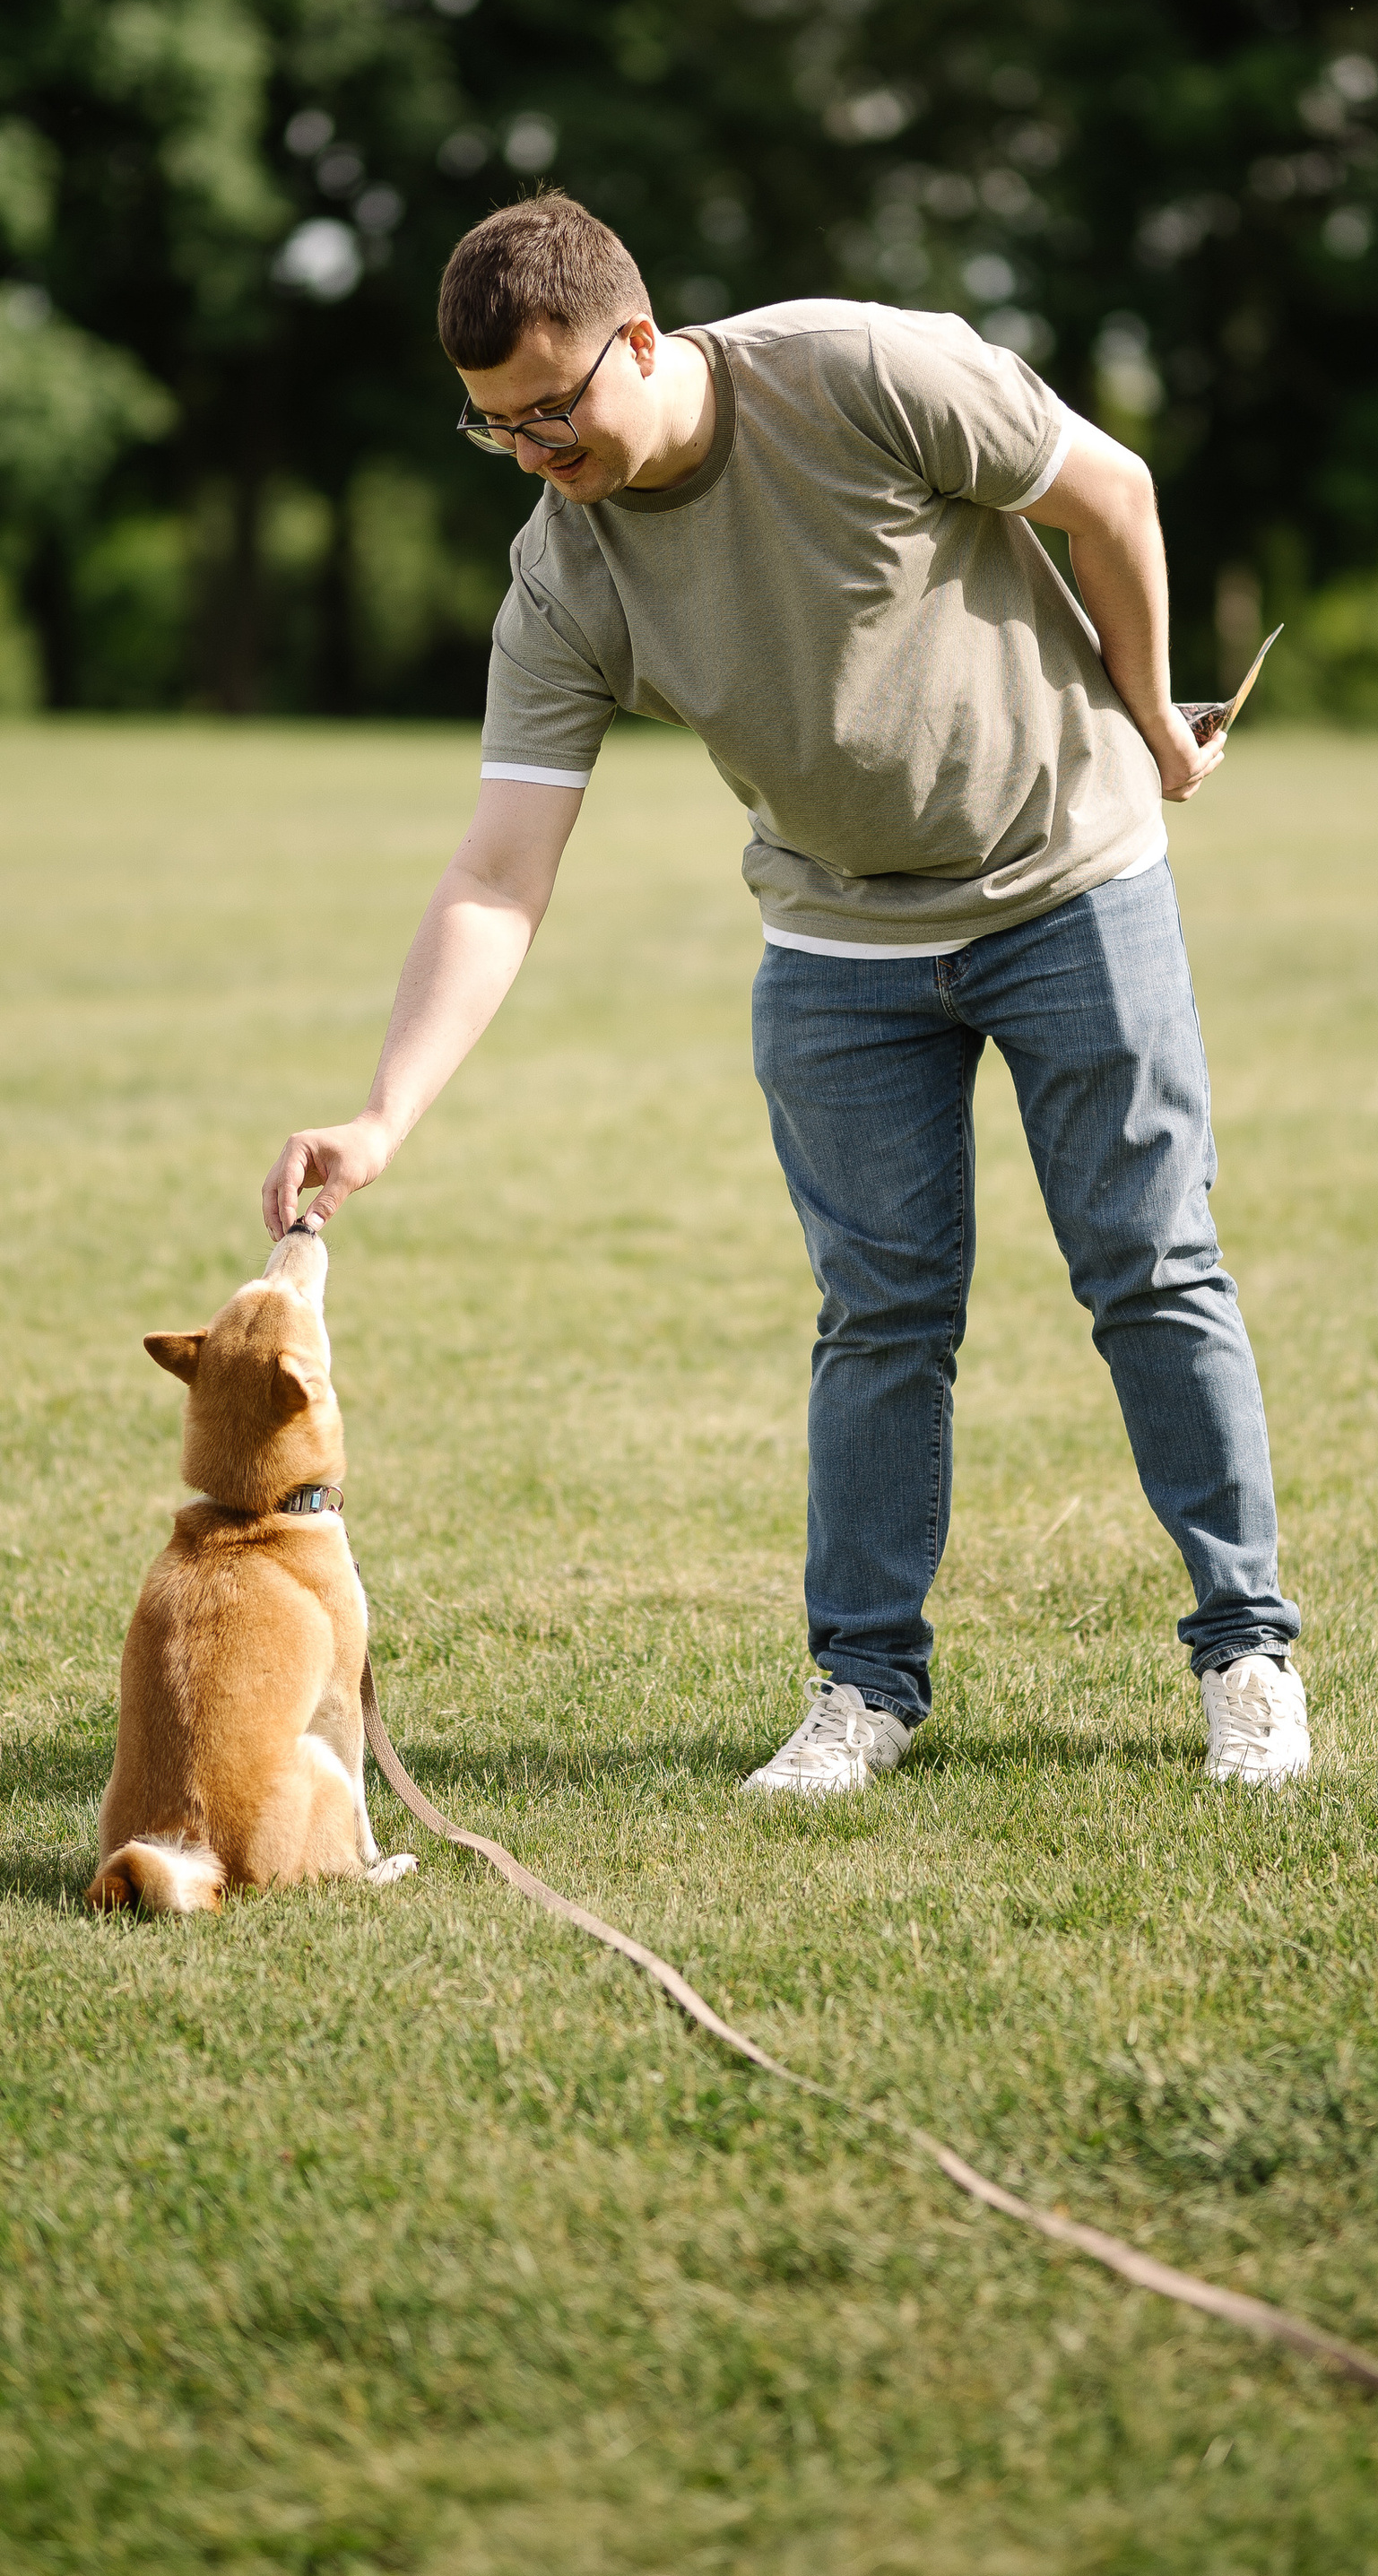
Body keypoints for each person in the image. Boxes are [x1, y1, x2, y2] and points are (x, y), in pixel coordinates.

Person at [263, 195, 1308, 1798]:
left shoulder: (862, 372)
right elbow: (498, 870)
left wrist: (1153, 723)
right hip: (838, 950)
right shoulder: (566, 572)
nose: (536, 449)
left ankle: (1248, 1656)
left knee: (1151, 1267)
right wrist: (385, 1112)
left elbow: (1113, 491)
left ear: (640, 336)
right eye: (496, 430)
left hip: (1067, 887)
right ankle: (863, 1692)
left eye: (555, 407)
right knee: (879, 1319)